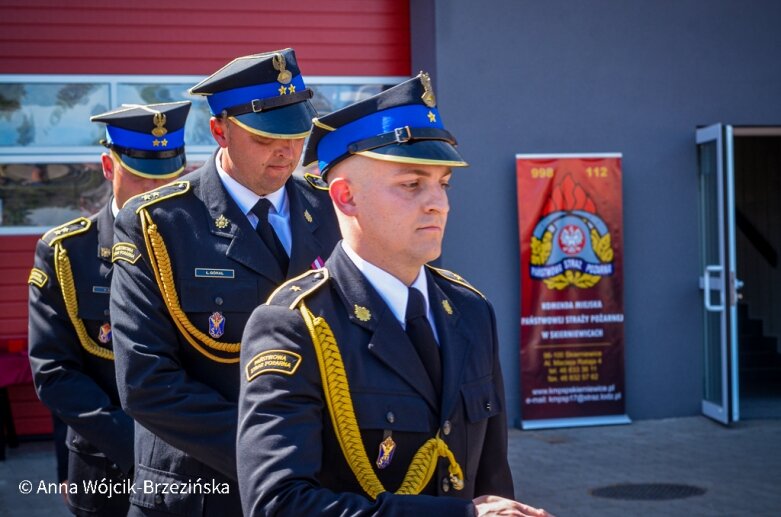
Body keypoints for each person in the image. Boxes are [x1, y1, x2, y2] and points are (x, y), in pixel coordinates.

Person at [237, 73, 553, 516]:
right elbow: (278, 504)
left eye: (444, 183)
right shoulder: (295, 325)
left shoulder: (470, 310)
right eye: (411, 184)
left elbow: (492, 480)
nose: (438, 203)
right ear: (346, 198)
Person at [110, 49, 340, 516]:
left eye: (298, 134)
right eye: (266, 137)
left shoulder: (332, 210)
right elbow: (146, 382)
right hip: (200, 488)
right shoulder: (159, 222)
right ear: (220, 130)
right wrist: (276, 456)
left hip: (316, 487)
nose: (288, 151)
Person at [28, 101, 192, 516]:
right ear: (107, 166)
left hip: (199, 466)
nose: (155, 193)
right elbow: (56, 371)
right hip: (108, 466)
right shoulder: (67, 253)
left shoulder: (203, 242)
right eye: (141, 177)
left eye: (170, 178)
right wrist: (140, 451)